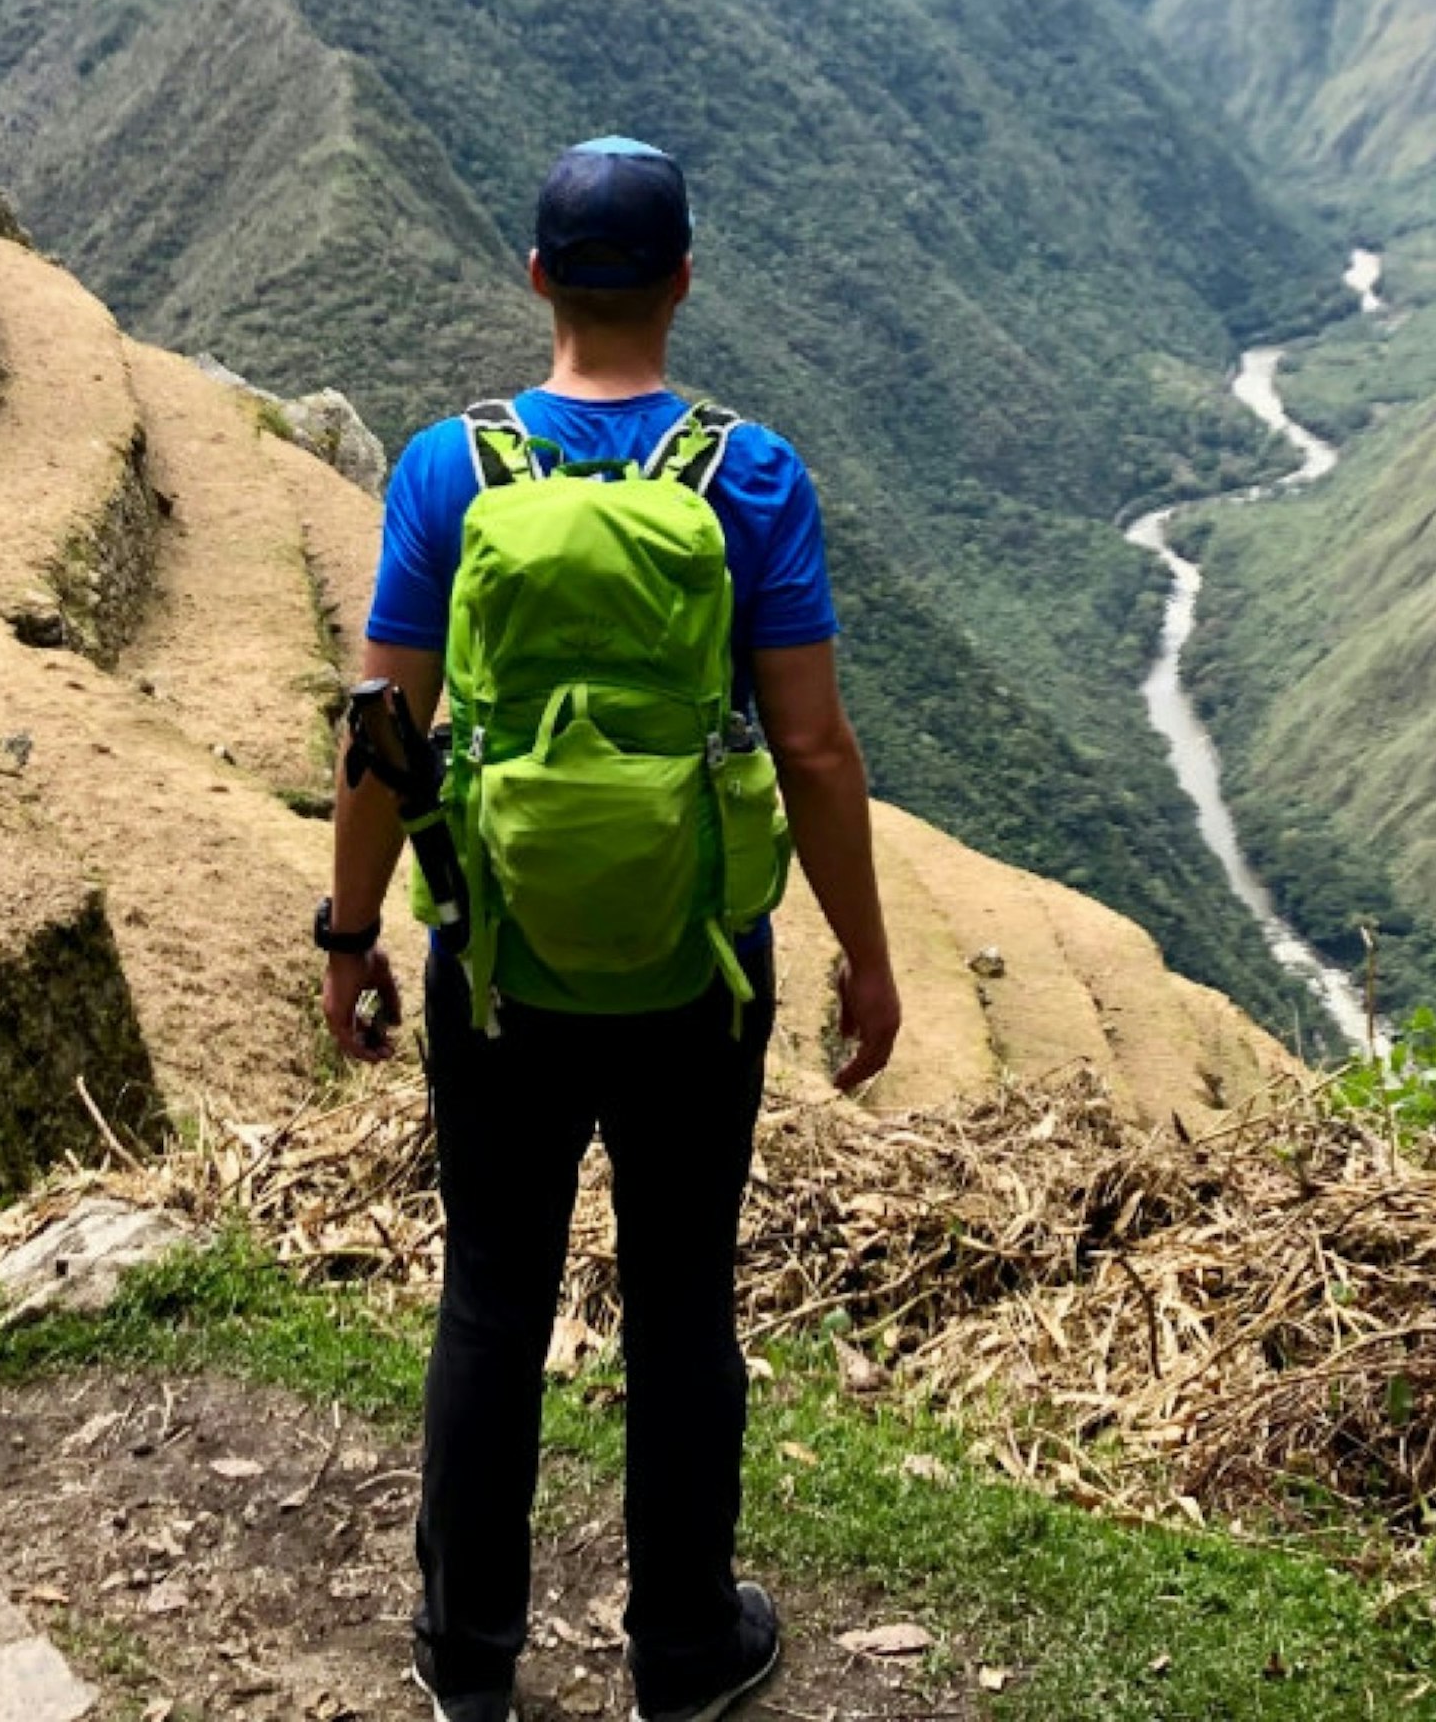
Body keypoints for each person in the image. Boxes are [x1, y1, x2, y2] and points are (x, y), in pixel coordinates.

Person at [319, 136, 902, 1722]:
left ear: (535, 279)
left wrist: (351, 929)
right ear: (686, 281)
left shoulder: (453, 469)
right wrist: (866, 951)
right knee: (682, 1296)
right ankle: (685, 1653)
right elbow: (816, 751)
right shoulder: (750, 475)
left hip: (496, 959)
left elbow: (385, 723)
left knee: (494, 1286)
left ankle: (469, 1657)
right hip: (696, 969)